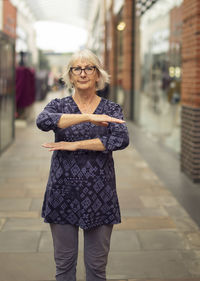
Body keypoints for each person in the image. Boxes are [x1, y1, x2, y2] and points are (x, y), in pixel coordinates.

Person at [36, 49, 129, 281]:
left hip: (100, 194)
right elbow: (43, 121)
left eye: (89, 68)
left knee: (97, 269)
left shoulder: (111, 109)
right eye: (77, 68)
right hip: (62, 193)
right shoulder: (59, 105)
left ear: (98, 74)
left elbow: (120, 139)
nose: (83, 73)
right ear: (70, 75)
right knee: (64, 268)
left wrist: (76, 145)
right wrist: (88, 117)